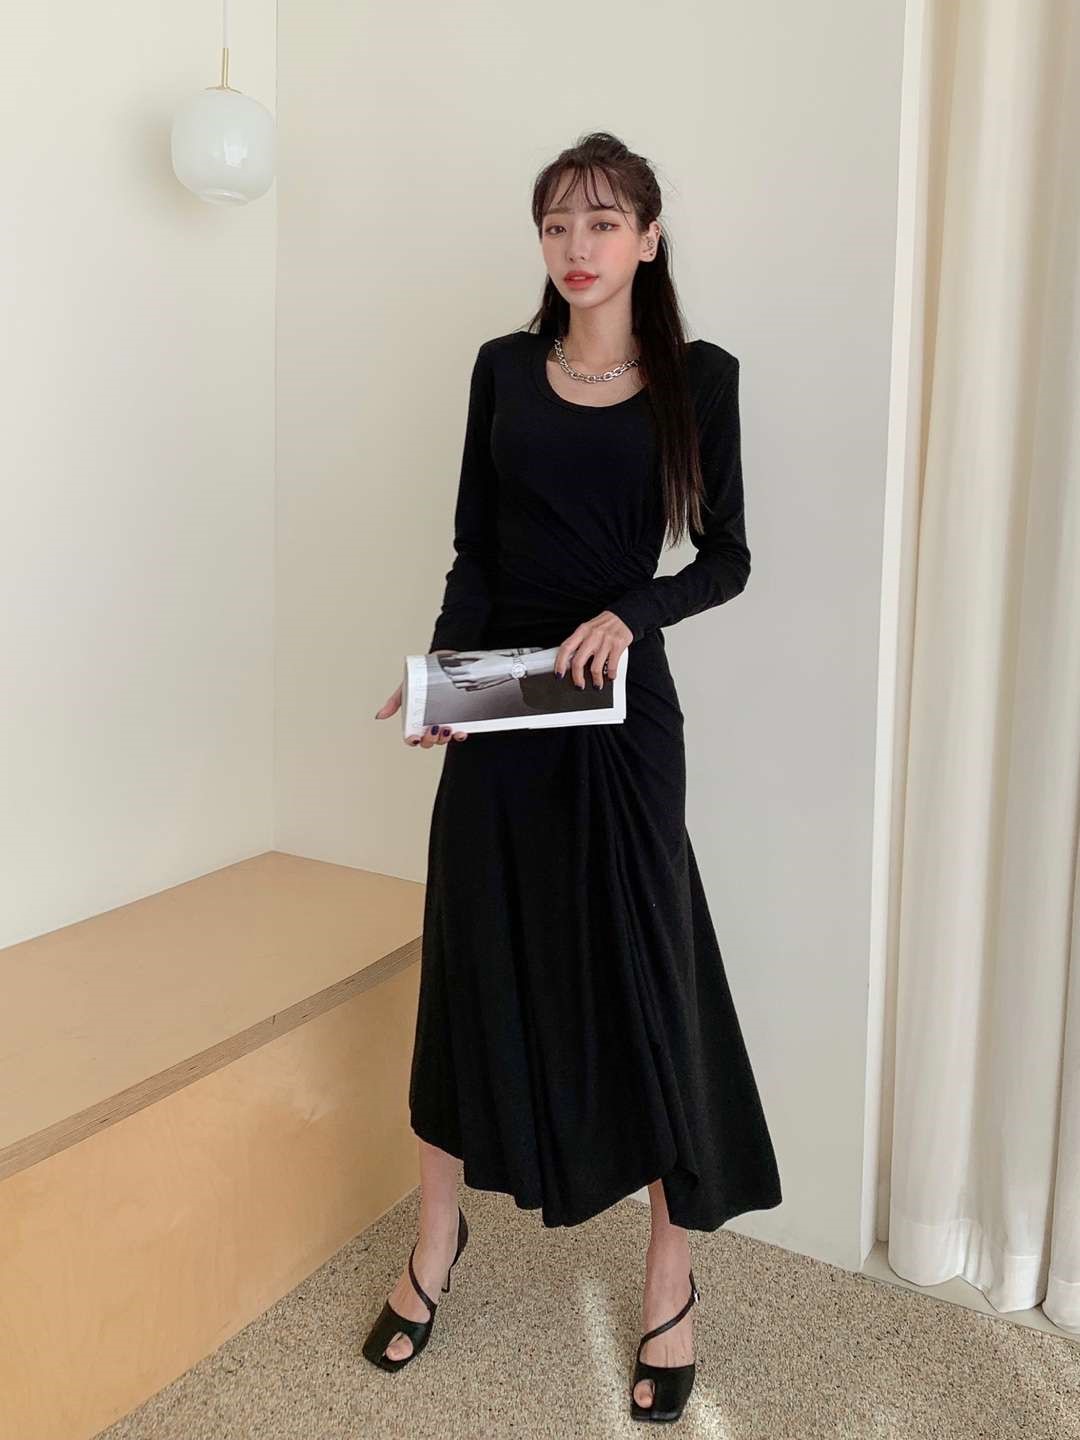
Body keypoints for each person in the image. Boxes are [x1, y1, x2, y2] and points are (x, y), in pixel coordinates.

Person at [368, 131, 782, 1424]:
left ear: (649, 239)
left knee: (647, 972)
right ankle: (436, 1241)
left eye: (603, 222)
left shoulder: (699, 380)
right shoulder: (503, 367)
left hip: (617, 707)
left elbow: (727, 556)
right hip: (503, 696)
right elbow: (474, 549)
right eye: (557, 224)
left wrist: (633, 613)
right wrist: (444, 682)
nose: (578, 247)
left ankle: (670, 1272)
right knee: (470, 955)